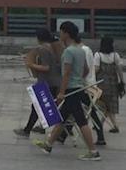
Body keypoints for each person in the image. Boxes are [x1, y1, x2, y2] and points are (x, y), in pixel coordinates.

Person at [34, 22, 100, 161]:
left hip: (71, 89)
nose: (60, 35)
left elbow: (66, 74)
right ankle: (48, 144)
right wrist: (79, 80)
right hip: (77, 88)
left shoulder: (69, 51)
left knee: (81, 121)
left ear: (67, 34)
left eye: (61, 32)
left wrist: (62, 92)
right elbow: (86, 70)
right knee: (62, 118)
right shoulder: (80, 50)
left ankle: (93, 151)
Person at [15, 28, 63, 137]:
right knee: (38, 106)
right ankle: (37, 128)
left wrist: (31, 65)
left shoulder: (43, 49)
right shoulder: (51, 47)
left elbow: (46, 67)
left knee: (38, 106)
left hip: (47, 82)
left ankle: (27, 130)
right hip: (53, 81)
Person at [94, 36, 125, 134]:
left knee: (102, 105)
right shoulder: (115, 56)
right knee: (109, 105)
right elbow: (119, 69)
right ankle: (100, 124)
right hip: (113, 84)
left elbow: (96, 69)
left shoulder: (98, 55)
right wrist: (122, 81)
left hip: (101, 84)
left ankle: (114, 125)